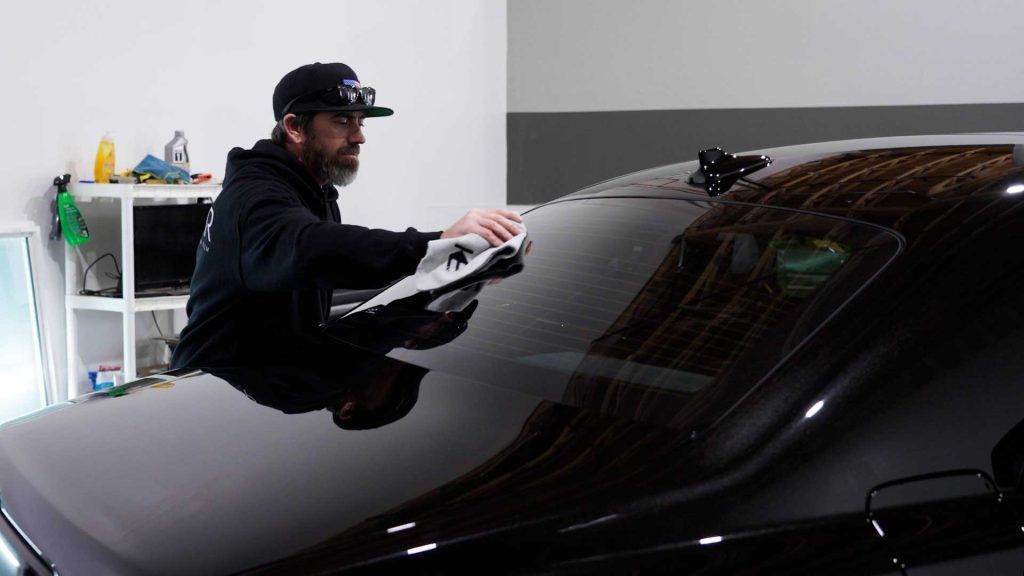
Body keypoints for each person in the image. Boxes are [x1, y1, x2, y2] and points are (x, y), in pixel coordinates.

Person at [170, 62, 521, 369]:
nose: (359, 137)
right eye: (342, 122)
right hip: (210, 388)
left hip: (262, 381)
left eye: (360, 121)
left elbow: (327, 273)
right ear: (294, 128)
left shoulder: (315, 192)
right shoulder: (255, 197)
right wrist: (436, 244)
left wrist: (413, 322)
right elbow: (312, 249)